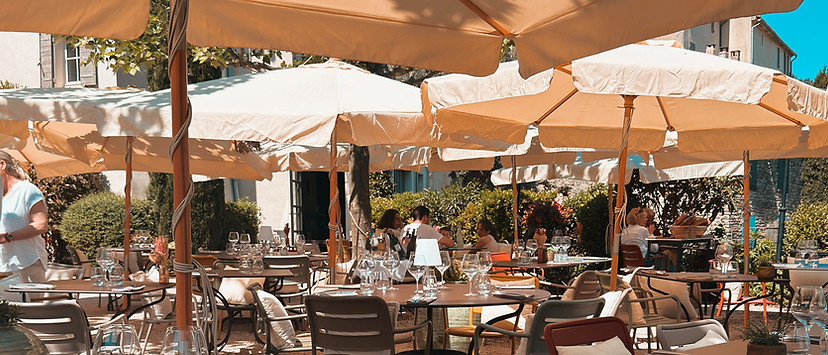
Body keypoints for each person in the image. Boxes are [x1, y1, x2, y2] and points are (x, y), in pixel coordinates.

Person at [0, 151, 49, 283]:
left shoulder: (27, 191)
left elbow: (40, 225)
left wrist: (7, 237)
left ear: (2, 164)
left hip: (28, 265)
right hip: (3, 267)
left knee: (30, 304)